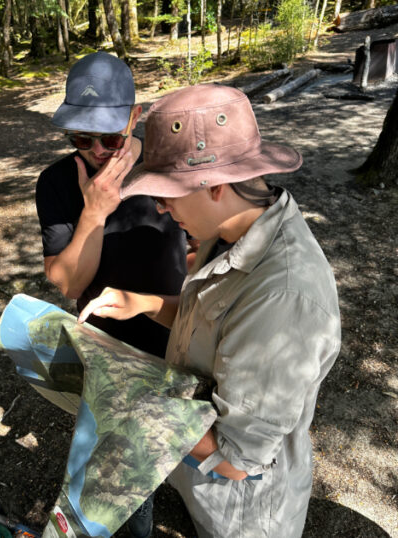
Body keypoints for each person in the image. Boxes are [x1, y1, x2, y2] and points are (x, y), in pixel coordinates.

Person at [78, 84, 341, 538]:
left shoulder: (282, 297)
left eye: (166, 194)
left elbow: (236, 458)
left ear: (215, 186)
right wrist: (143, 303)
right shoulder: (232, 230)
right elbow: (216, 321)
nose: (159, 207)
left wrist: (126, 401)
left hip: (244, 512)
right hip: (204, 484)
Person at [36, 51, 187, 538]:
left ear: (135, 117)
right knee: (126, 472)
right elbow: (70, 283)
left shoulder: (172, 164)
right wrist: (95, 211)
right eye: (84, 138)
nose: (99, 151)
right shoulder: (57, 183)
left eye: (112, 137)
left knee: (186, 441)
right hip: (106, 344)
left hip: (177, 329)